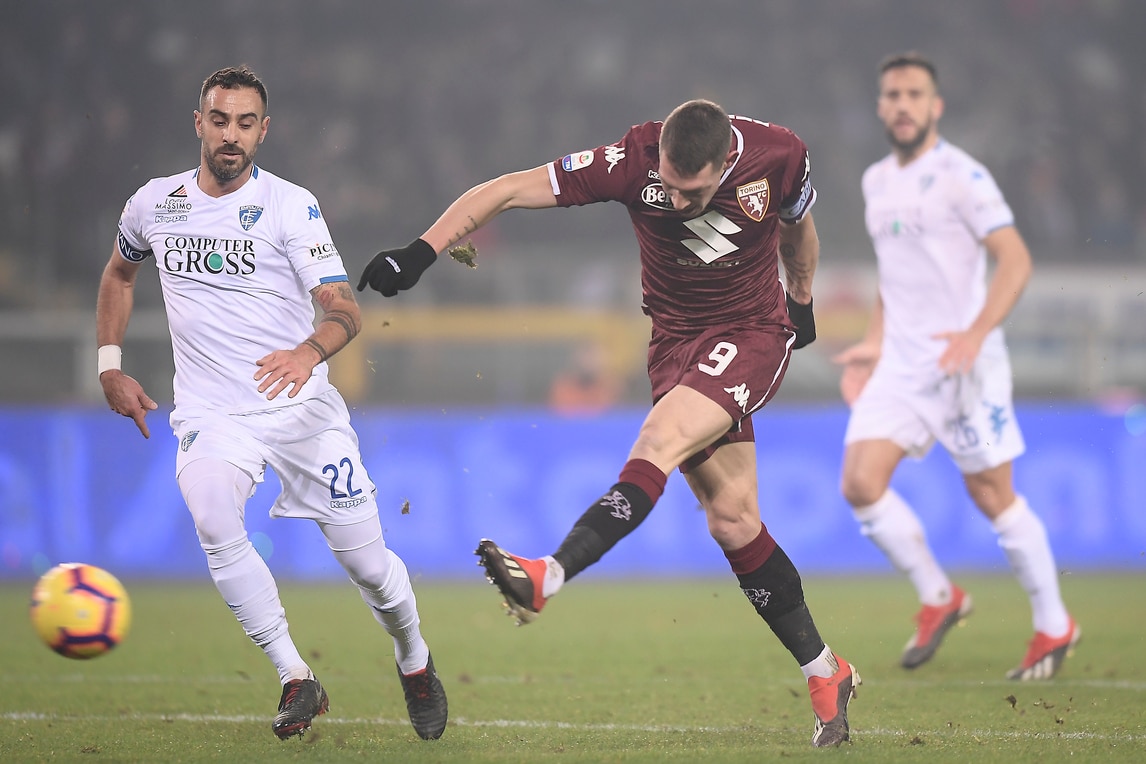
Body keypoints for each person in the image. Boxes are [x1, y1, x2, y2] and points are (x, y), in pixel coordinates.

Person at [359, 99, 859, 748]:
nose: (677, 202)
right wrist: (422, 251)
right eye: (669, 187)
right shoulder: (632, 160)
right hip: (674, 347)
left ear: (724, 162)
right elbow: (510, 189)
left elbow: (798, 229)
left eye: (693, 192)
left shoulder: (779, 154)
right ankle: (826, 672)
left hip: (751, 333)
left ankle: (550, 574)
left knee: (658, 441)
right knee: (732, 519)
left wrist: (802, 300)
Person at [96, 66, 448, 740]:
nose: (231, 135)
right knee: (212, 517)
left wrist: (307, 353)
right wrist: (109, 366)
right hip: (212, 415)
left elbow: (345, 310)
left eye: (245, 123)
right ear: (199, 123)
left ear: (263, 131)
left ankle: (414, 657)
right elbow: (119, 273)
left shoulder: (290, 206)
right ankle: (295, 676)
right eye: (219, 120)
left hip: (300, 412)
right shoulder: (155, 204)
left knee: (370, 568)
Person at [833, 51, 1080, 680]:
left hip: (964, 361)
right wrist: (874, 341)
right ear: (881, 107)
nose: (903, 105)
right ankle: (939, 596)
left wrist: (975, 332)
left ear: (935, 106)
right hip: (902, 362)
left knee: (991, 493)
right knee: (860, 483)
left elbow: (1016, 260)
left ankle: (1054, 624)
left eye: (914, 94)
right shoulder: (875, 181)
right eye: (893, 95)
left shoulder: (963, 176)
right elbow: (895, 274)